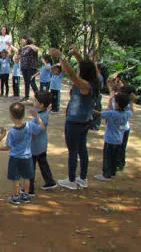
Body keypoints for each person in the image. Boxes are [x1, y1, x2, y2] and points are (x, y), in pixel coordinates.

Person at [49, 45, 99, 190]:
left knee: (73, 151)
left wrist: (61, 57)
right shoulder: (93, 82)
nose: (78, 69)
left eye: (80, 68)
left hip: (75, 122)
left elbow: (71, 75)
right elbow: (83, 66)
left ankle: (71, 180)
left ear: (83, 72)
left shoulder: (84, 85)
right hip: (84, 121)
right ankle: (82, 178)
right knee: (82, 149)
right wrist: (76, 54)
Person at [0, 102, 44, 205]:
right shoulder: (30, 125)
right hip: (27, 156)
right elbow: (41, 128)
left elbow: (8, 147)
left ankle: (15, 196)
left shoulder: (12, 132)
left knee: (15, 178)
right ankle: (26, 196)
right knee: (27, 177)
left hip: (15, 157)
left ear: (11, 115)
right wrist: (37, 117)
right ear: (23, 114)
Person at [93, 93, 132, 181]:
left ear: (117, 103)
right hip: (119, 139)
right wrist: (131, 101)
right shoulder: (127, 114)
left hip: (110, 139)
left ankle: (106, 174)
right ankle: (113, 172)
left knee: (107, 157)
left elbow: (99, 114)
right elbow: (131, 110)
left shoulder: (112, 113)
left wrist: (89, 108)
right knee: (114, 157)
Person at [28, 92, 57, 196]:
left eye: (35, 100)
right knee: (43, 163)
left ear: (41, 105)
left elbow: (35, 132)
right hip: (42, 145)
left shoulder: (40, 116)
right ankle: (50, 181)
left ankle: (29, 189)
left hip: (35, 146)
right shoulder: (43, 111)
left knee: (30, 167)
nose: (33, 102)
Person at [111, 85, 136, 171]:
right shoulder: (126, 103)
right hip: (125, 128)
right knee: (121, 146)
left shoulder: (122, 102)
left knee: (119, 146)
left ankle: (118, 163)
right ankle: (120, 162)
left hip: (120, 128)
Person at [19, 37, 39, 101]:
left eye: (23, 39)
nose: (22, 41)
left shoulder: (32, 47)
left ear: (27, 40)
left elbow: (36, 49)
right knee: (26, 82)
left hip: (31, 67)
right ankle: (26, 96)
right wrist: (10, 45)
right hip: (24, 67)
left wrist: (29, 45)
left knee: (32, 82)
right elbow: (17, 51)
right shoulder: (23, 48)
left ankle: (39, 97)